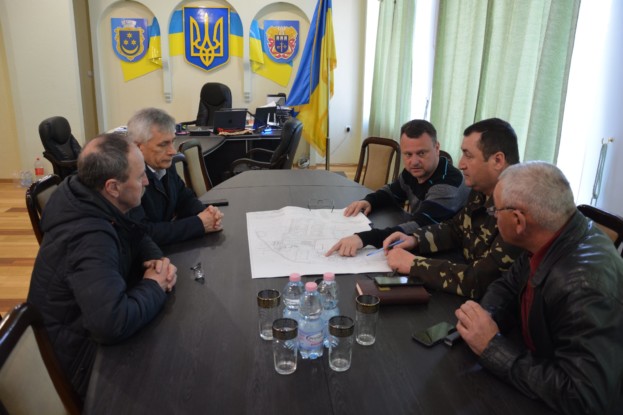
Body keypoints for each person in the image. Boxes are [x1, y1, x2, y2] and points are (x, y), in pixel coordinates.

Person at [455, 162, 623, 414]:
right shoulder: (554, 232)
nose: (493, 216)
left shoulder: (582, 285)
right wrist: (485, 318)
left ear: (518, 221)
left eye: (495, 210)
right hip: (538, 361)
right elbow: (507, 286)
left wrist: (492, 347)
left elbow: (584, 397)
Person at [27, 134, 178, 398]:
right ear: (113, 187)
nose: (146, 181)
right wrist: (154, 284)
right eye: (140, 176)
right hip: (75, 365)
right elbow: (111, 324)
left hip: (84, 333)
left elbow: (137, 233)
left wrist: (154, 260)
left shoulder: (93, 195)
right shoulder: (88, 237)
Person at [383, 118, 524, 299]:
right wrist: (415, 239)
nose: (461, 164)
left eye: (468, 155)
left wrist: (414, 265)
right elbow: (456, 228)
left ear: (497, 160)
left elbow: (481, 280)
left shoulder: (516, 208)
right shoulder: (481, 189)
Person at [326, 119, 470, 257]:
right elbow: (392, 193)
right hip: (426, 243)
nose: (414, 161)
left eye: (421, 153)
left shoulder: (448, 184)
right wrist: (369, 201)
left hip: (451, 252)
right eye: (408, 154)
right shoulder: (413, 171)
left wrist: (363, 238)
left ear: (437, 148)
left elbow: (419, 226)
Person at [127, 107, 223, 246]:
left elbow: (185, 199)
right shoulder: (127, 179)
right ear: (138, 147)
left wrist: (208, 214)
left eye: (172, 141)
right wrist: (199, 224)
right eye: (163, 144)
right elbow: (143, 233)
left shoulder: (165, 165)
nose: (172, 151)